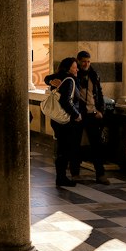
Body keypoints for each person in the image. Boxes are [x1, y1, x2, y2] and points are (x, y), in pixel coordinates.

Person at [49, 57, 83, 189]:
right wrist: (76, 114)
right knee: (64, 150)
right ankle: (61, 177)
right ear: (69, 68)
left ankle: (61, 177)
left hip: (58, 120)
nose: (77, 69)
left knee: (62, 149)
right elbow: (66, 101)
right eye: (75, 67)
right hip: (66, 121)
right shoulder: (69, 80)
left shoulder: (62, 78)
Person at [75, 49, 108, 183]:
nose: (86, 64)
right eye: (83, 62)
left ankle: (100, 174)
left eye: (88, 62)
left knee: (96, 146)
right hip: (78, 115)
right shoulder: (73, 75)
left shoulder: (94, 75)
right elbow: (50, 79)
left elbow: (99, 93)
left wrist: (101, 110)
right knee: (75, 144)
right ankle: (75, 173)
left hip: (92, 114)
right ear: (78, 61)